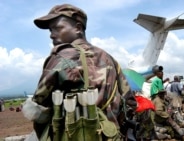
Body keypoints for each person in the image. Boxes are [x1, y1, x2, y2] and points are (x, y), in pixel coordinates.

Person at [26, 4, 137, 140]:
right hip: (112, 136)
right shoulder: (110, 59)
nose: (51, 35)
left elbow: (38, 110)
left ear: (78, 28)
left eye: (57, 28)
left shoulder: (62, 57)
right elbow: (130, 103)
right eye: (50, 30)